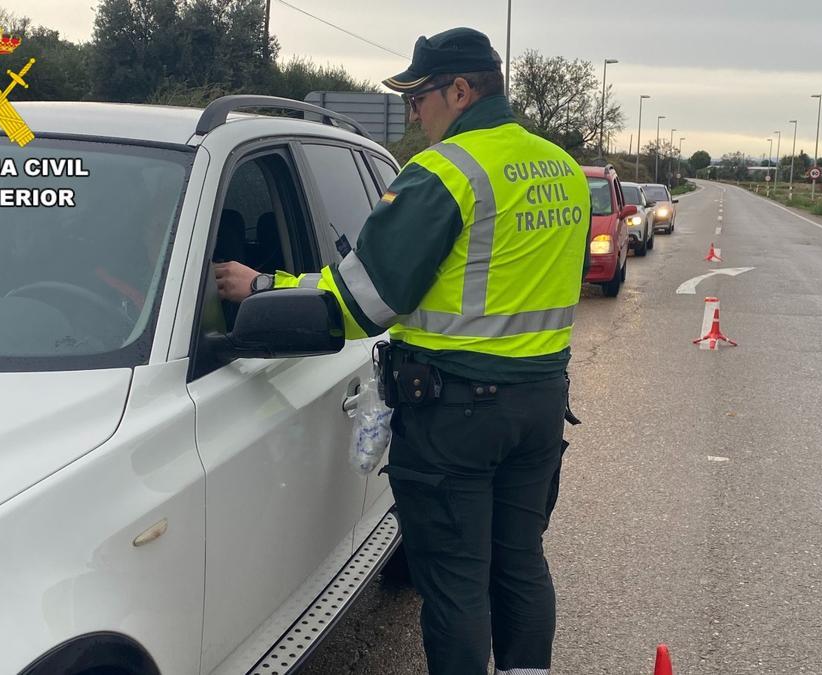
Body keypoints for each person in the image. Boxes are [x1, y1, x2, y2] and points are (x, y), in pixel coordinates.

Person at [214, 27, 590, 675]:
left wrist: (262, 285)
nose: (415, 112)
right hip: (541, 406)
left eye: (420, 96)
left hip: (457, 416)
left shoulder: (447, 172)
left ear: (462, 89)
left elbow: (360, 304)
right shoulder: (563, 169)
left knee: (456, 583)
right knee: (521, 563)